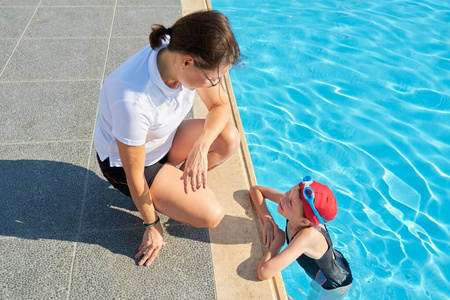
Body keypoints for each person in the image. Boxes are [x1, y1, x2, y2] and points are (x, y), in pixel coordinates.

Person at [93, 10, 241, 267]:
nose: (215, 83)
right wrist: (152, 223)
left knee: (228, 137)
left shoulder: (179, 45)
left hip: (162, 139)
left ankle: (168, 184)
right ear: (187, 62)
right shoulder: (133, 99)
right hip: (128, 166)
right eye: (213, 77)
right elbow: (134, 175)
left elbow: (220, 106)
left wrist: (201, 145)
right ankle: (161, 192)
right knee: (212, 215)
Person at [249, 176, 353, 299]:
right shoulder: (296, 207)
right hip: (328, 264)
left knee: (316, 293)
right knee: (314, 290)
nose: (283, 198)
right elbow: (256, 190)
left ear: (304, 222)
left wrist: (279, 241)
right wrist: (267, 220)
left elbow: (264, 273)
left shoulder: (307, 235)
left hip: (335, 285)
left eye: (290, 202)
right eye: (289, 191)